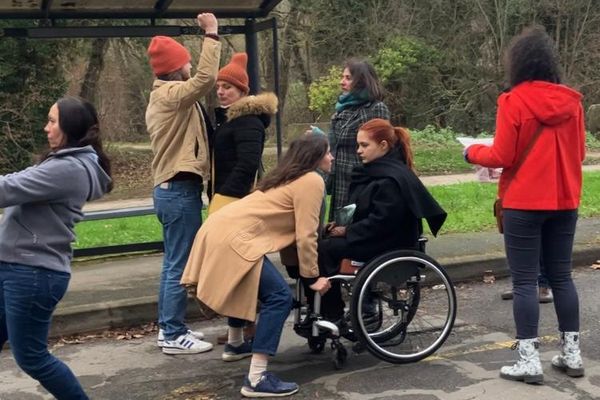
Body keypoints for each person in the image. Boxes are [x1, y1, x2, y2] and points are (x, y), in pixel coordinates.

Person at [465, 26, 586, 384]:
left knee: (523, 283)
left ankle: (529, 359)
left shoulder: (513, 101)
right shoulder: (573, 104)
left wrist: (471, 151)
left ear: (517, 63)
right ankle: (571, 354)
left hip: (523, 202)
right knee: (562, 277)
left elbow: (502, 154)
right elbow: (578, 153)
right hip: (564, 199)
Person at [182, 135, 333, 398]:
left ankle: (236, 343)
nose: (332, 158)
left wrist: (297, 269)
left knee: (246, 283)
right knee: (279, 298)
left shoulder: (283, 177)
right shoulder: (312, 180)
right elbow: (306, 234)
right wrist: (313, 277)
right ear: (315, 157)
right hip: (236, 239)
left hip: (218, 229)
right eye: (328, 153)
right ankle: (256, 377)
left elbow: (289, 229)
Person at [0, 96, 112, 399]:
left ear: (70, 126)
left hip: (32, 272)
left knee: (32, 357)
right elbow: (15, 181)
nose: (45, 127)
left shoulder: (69, 169)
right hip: (17, 265)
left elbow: (6, 189)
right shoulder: (63, 162)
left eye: (52, 121)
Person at [307, 118, 447, 323]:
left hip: (389, 245)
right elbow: (365, 211)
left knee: (325, 249)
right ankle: (327, 309)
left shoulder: (391, 179)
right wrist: (341, 225)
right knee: (322, 244)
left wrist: (348, 232)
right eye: (358, 145)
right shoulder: (377, 171)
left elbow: (382, 221)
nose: (358, 150)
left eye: (364, 145)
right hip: (378, 238)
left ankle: (332, 312)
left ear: (383, 146)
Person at [145, 13, 221, 355]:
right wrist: (211, 35)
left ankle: (170, 329)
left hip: (175, 190)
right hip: (177, 191)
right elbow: (206, 79)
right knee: (178, 263)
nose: (191, 64)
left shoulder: (171, 96)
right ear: (177, 68)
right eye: (186, 60)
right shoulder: (171, 94)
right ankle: (173, 333)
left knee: (173, 261)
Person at [208, 52, 278, 345]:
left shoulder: (247, 122)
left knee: (244, 266)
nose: (222, 92)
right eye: (220, 87)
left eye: (229, 87)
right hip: (222, 199)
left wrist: (225, 199)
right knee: (235, 268)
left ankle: (249, 327)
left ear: (243, 91)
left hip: (232, 202)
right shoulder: (230, 120)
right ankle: (240, 329)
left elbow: (247, 164)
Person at [325, 59, 390, 221]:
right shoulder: (342, 110)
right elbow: (335, 145)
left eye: (348, 78)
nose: (342, 82)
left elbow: (382, 150)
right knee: (337, 231)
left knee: (357, 231)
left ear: (361, 80)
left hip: (363, 183)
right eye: (342, 77)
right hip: (341, 182)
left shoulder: (376, 108)